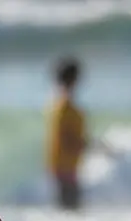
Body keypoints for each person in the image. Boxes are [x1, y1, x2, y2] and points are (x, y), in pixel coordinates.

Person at [46, 57, 87, 210]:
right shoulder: (64, 107)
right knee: (70, 209)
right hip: (65, 167)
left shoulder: (59, 104)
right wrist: (84, 144)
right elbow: (66, 139)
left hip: (64, 165)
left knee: (68, 208)